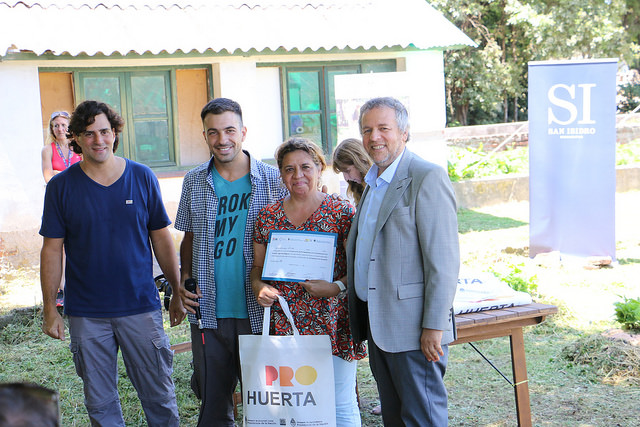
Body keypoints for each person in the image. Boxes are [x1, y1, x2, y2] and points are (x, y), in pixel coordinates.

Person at [39, 100, 180, 426]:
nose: (98, 140)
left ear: (115, 133)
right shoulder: (60, 187)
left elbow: (161, 238)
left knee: (159, 398)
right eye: (89, 134)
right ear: (75, 137)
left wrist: (175, 290)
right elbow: (51, 251)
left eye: (104, 131)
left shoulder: (142, 177)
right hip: (86, 313)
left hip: (140, 307)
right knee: (100, 405)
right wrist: (49, 308)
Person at [169, 98, 287, 426]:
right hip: (208, 310)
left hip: (259, 309)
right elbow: (189, 237)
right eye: (213, 132)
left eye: (230, 130)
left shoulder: (273, 180)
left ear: (243, 132)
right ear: (205, 136)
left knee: (265, 402)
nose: (222, 139)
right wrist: (184, 279)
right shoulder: (194, 181)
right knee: (213, 402)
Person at [346, 97, 460, 426]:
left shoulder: (427, 176)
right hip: (379, 324)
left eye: (384, 128)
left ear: (404, 133)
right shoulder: (373, 182)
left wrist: (434, 326)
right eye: (367, 130)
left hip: (414, 329)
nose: (374, 137)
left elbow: (443, 261)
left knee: (423, 418)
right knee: (394, 419)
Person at [251, 137, 366, 427]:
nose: (297, 175)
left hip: (333, 322)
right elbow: (257, 268)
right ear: (280, 174)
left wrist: (336, 287)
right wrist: (259, 287)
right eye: (289, 169)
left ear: (319, 168)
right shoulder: (267, 217)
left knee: (341, 402)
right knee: (295, 405)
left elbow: (361, 268)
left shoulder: (342, 212)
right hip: (286, 324)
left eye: (305, 167)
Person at [40, 110, 82, 307]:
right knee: (59, 245)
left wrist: (61, 173)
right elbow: (48, 177)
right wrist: (70, 176)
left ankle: (78, 284)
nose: (60, 128)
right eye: (56, 125)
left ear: (70, 127)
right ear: (52, 128)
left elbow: (88, 172)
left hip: (79, 200)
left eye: (64, 125)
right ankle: (62, 289)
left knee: (79, 242)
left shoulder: (78, 147)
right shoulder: (47, 150)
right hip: (58, 200)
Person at [332, 137, 372, 206]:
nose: (346, 178)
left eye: (347, 171)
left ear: (360, 163)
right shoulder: (358, 188)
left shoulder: (380, 186)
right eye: (342, 172)